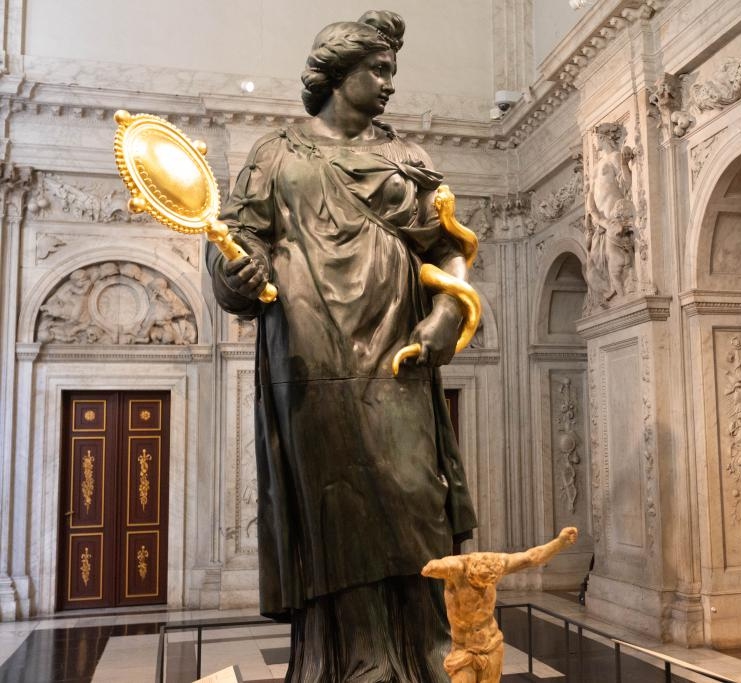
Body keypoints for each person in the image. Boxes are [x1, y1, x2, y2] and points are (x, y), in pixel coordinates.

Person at [206, 10, 477, 682]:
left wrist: (450, 311)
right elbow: (236, 244)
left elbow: (447, 247)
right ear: (337, 71)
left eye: (392, 70)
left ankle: (425, 651)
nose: (389, 83)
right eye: (377, 69)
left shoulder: (408, 159)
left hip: (397, 355)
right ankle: (355, 660)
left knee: (416, 492)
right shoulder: (275, 155)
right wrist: (235, 272)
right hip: (310, 358)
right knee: (338, 504)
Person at [421, 527, 579, 683]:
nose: (485, 587)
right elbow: (435, 565)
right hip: (463, 649)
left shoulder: (498, 562)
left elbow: (532, 557)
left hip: (491, 644)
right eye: (480, 583)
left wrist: (560, 542)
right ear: (471, 573)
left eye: (490, 583)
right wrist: (430, 567)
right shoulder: (456, 569)